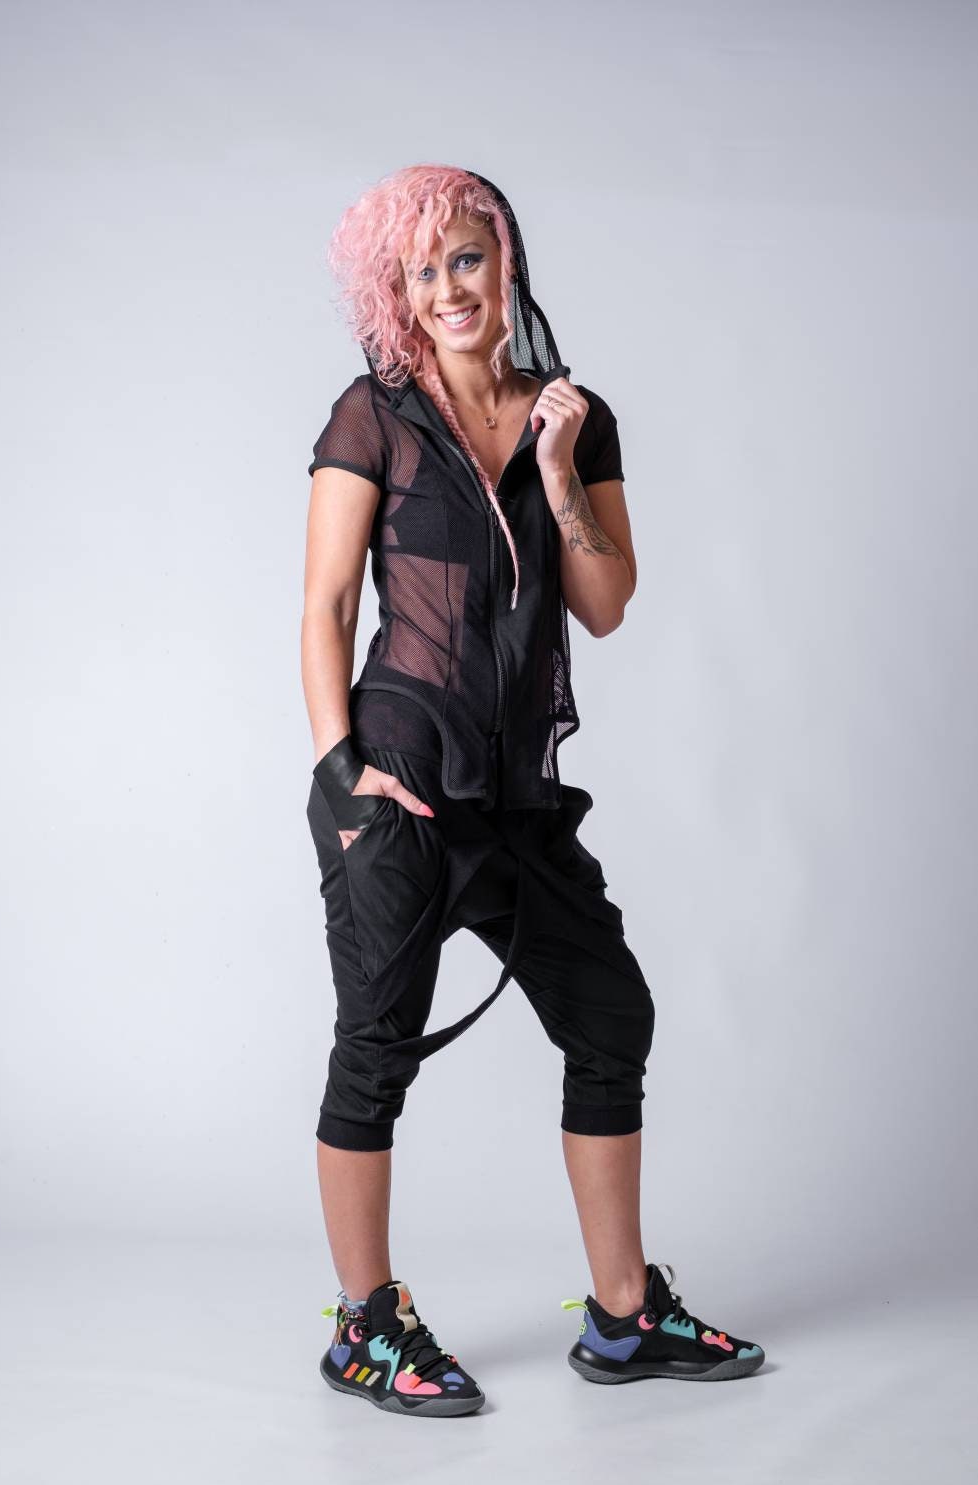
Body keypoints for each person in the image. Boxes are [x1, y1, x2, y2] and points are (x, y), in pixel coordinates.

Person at [301, 164, 764, 1417]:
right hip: (398, 784)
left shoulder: (576, 416)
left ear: (506, 262)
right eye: (423, 270)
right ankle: (365, 1324)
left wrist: (557, 469)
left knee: (609, 1016)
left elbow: (604, 605)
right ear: (396, 292)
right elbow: (327, 605)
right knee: (375, 1051)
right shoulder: (375, 415)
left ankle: (622, 1316)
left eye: (468, 257)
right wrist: (344, 776)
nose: (451, 287)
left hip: (516, 796)